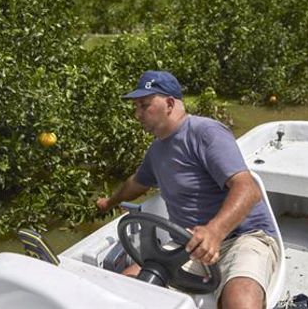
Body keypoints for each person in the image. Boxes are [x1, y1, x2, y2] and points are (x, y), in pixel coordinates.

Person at [96, 70, 279, 309]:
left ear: (169, 103)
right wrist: (109, 202)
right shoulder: (157, 150)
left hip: (242, 238)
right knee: (127, 288)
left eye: (144, 105)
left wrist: (214, 232)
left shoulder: (206, 133)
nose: (137, 114)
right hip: (186, 246)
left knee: (240, 300)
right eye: (136, 107)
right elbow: (136, 183)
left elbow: (248, 187)